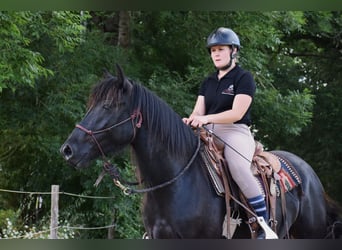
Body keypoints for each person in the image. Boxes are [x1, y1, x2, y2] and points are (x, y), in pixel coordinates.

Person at [183, 27, 268, 239]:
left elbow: (237, 112)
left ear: (233, 51)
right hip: (207, 130)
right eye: (213, 50)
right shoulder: (208, 82)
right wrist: (191, 119)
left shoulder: (243, 78)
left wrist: (206, 119)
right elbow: (198, 111)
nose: (216, 54)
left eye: (221, 49)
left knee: (238, 166)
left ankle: (264, 223)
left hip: (235, 131)